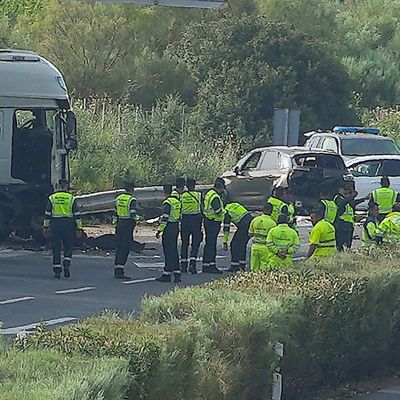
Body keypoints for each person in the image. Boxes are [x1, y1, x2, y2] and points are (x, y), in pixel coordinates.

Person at [43, 179, 82, 279]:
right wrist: (79, 228)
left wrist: (46, 227)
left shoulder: (52, 198)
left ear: (58, 186)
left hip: (55, 224)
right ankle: (67, 263)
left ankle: (57, 270)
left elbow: (47, 214)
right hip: (68, 225)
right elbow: (77, 215)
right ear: (67, 186)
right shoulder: (71, 198)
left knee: (56, 247)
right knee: (68, 245)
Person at [156, 185, 182, 283]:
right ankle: (177, 273)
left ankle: (167, 274)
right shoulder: (177, 202)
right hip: (175, 226)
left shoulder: (167, 202)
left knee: (168, 251)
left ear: (164, 192)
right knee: (174, 250)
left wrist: (159, 230)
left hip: (169, 228)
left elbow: (165, 218)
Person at [113, 182, 138, 280]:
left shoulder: (118, 198)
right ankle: (120, 270)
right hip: (127, 225)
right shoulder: (132, 200)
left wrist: (115, 224)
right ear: (132, 189)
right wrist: (138, 219)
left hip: (119, 224)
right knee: (125, 247)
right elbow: (132, 214)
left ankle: (117, 269)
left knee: (119, 247)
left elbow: (115, 212)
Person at [202, 177, 226, 274]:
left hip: (208, 220)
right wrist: (225, 212)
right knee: (212, 245)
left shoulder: (209, 193)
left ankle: (205, 265)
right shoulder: (215, 197)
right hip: (213, 222)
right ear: (220, 188)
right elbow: (218, 211)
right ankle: (211, 265)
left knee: (208, 244)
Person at [334, 182, 366, 251]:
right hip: (341, 225)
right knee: (340, 246)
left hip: (349, 225)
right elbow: (342, 204)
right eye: (345, 189)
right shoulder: (338, 198)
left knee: (348, 246)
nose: (347, 192)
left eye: (348, 190)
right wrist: (352, 196)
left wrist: (363, 199)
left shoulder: (347, 200)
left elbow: (352, 203)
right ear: (339, 190)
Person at [180, 178, 203, 274]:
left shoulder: (182, 196)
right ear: (194, 186)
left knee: (185, 243)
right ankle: (192, 265)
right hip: (196, 220)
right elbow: (202, 207)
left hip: (185, 220)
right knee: (195, 243)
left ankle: (183, 266)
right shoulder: (198, 195)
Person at [223, 202, 253, 272]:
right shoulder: (234, 204)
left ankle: (234, 266)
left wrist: (225, 241)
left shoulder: (226, 212)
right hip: (251, 221)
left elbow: (226, 228)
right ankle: (242, 265)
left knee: (234, 244)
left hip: (243, 225)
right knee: (242, 245)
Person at [248, 203, 276, 272]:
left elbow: (250, 234)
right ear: (271, 211)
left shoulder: (255, 220)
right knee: (264, 269)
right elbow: (273, 238)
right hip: (265, 248)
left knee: (254, 268)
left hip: (255, 247)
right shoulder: (272, 223)